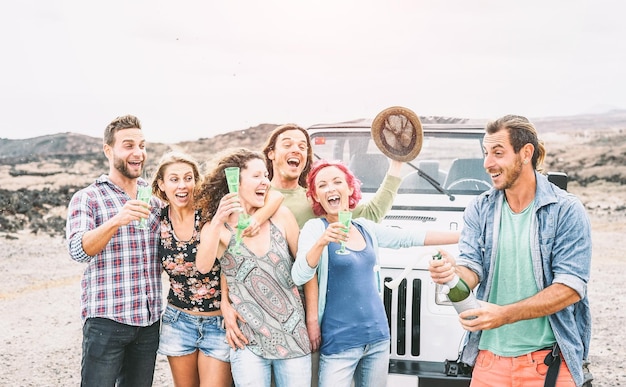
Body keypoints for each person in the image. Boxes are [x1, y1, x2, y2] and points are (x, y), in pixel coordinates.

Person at [429, 114, 592, 387]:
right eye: (485, 153)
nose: (487, 163)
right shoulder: (479, 209)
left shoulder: (565, 209)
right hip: (489, 362)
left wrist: (505, 315)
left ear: (526, 153)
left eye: (498, 153)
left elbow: (570, 287)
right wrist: (451, 271)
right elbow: (471, 269)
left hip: (548, 364)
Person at [291, 159, 460, 387]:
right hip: (339, 342)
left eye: (337, 181)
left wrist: (463, 236)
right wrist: (322, 242)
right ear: (316, 196)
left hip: (377, 339)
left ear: (350, 188)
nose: (330, 188)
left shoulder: (365, 227)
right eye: (322, 185)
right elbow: (299, 275)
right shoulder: (315, 229)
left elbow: (408, 237)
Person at [153, 151, 284, 387]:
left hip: (217, 322)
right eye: (174, 179)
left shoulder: (211, 212)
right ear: (162, 185)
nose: (182, 185)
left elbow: (274, 198)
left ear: (196, 180)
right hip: (178, 320)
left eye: (188, 178)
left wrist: (256, 219)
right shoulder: (157, 219)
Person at [195, 148, 311, 387]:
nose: (265, 182)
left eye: (266, 176)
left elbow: (306, 270)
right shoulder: (218, 228)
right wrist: (217, 220)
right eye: (257, 176)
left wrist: (312, 321)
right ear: (235, 182)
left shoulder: (281, 216)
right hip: (247, 339)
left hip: (294, 336)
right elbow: (204, 267)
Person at [66, 114, 162, 387]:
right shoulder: (88, 197)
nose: (138, 153)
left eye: (142, 146)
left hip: (148, 321)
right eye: (128, 145)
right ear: (108, 150)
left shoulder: (154, 199)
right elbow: (78, 250)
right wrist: (117, 220)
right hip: (107, 321)